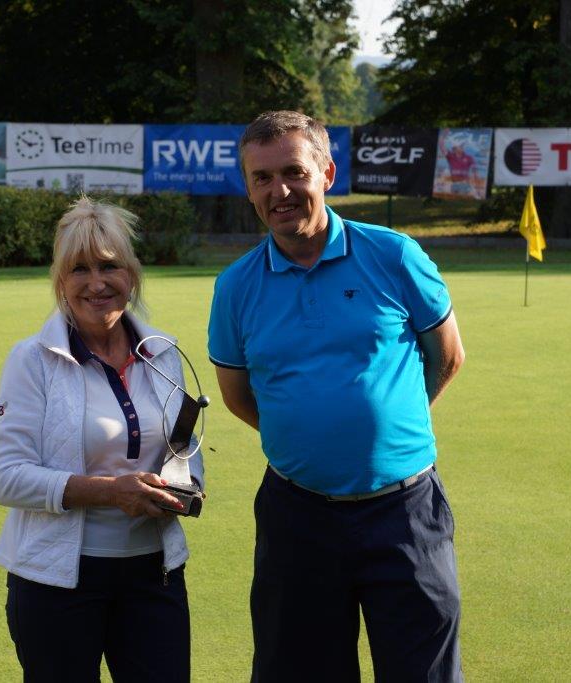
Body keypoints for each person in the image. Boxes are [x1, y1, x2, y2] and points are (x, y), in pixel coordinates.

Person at [208, 111, 466, 682]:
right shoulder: (235, 287)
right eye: (262, 178)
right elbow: (238, 396)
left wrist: (387, 428)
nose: (279, 191)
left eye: (294, 172)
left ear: (326, 173)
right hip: (297, 518)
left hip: (405, 513)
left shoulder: (395, 255)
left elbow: (447, 356)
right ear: (248, 189)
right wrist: (309, 439)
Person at [0, 197, 203, 682]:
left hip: (154, 575)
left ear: (132, 273)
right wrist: (110, 491)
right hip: (56, 583)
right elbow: (6, 478)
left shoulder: (163, 353)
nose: (96, 283)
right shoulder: (32, 359)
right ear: (60, 281)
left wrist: (184, 487)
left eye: (109, 266)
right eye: (79, 269)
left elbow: (182, 446)